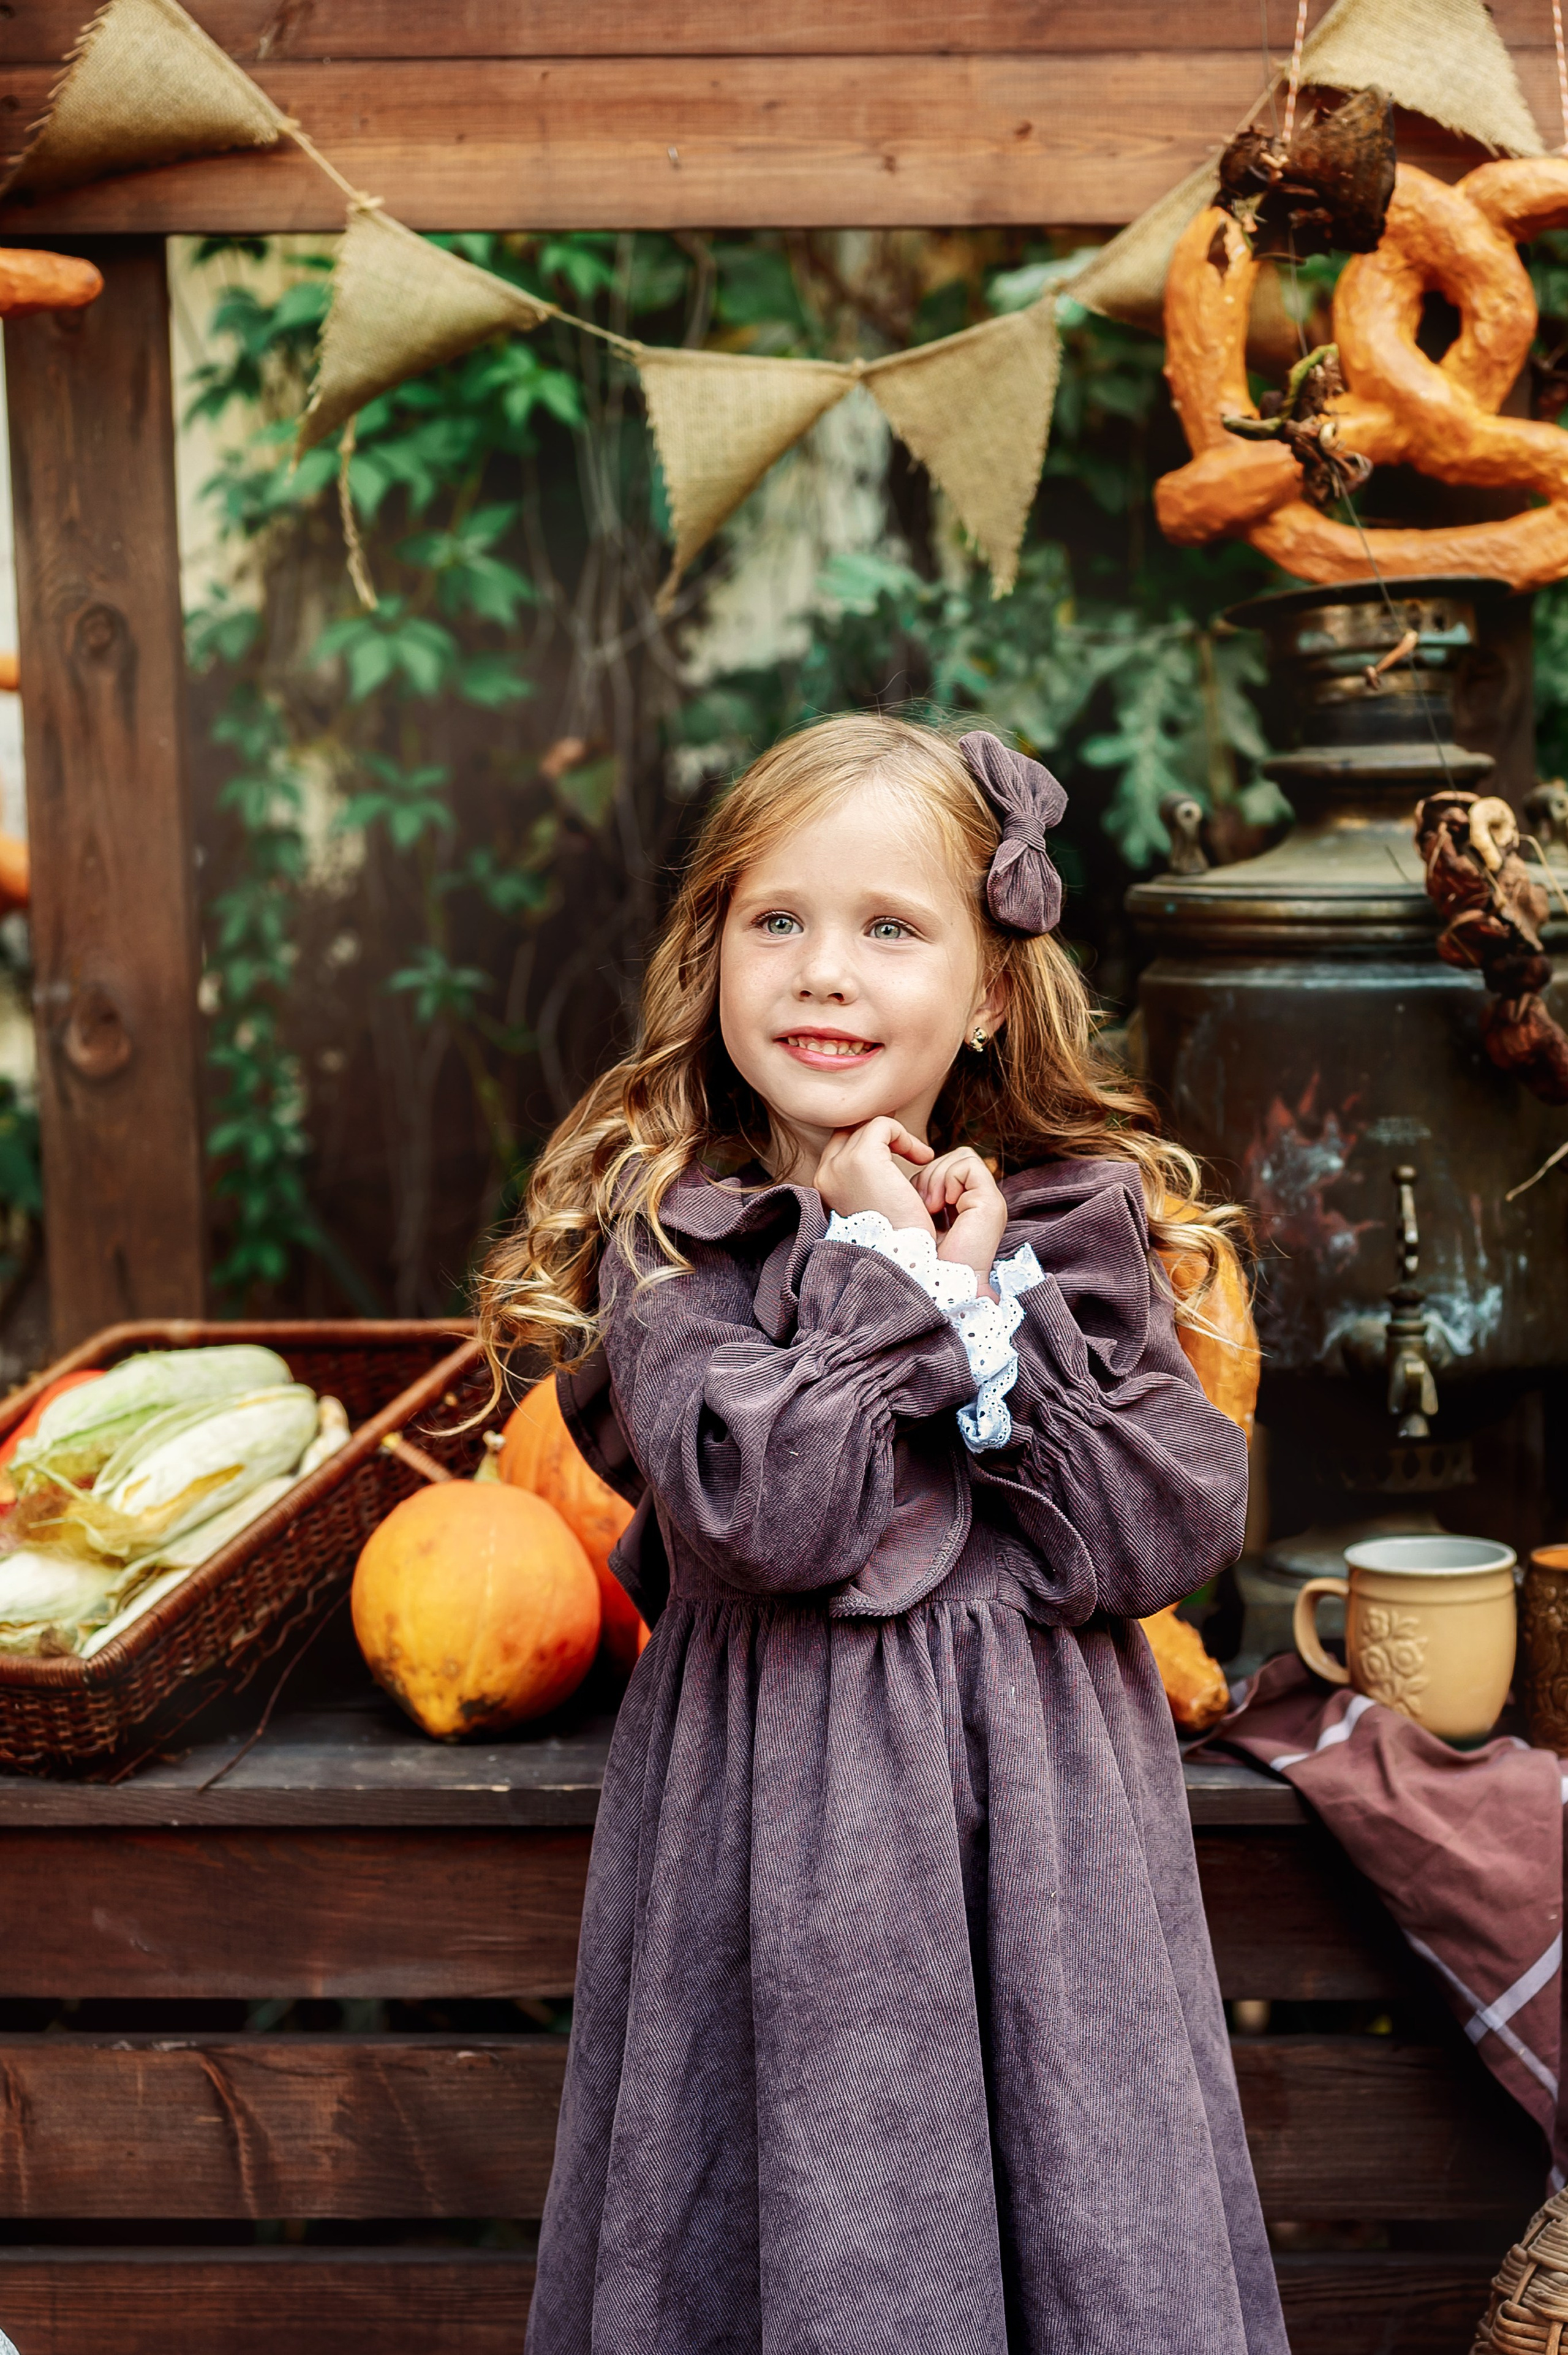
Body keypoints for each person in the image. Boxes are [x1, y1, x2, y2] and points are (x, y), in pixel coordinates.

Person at [479, 713, 1286, 2355]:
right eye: (776, 921)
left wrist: (992, 1309)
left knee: (1082, 2221)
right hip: (787, 1848)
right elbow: (768, 1518)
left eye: (890, 927)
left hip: (1044, 1843)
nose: (823, 972)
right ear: (712, 956)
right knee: (826, 2222)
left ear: (991, 983)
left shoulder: (1074, 1221)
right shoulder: (677, 1254)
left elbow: (1149, 1533)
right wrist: (879, 1278)